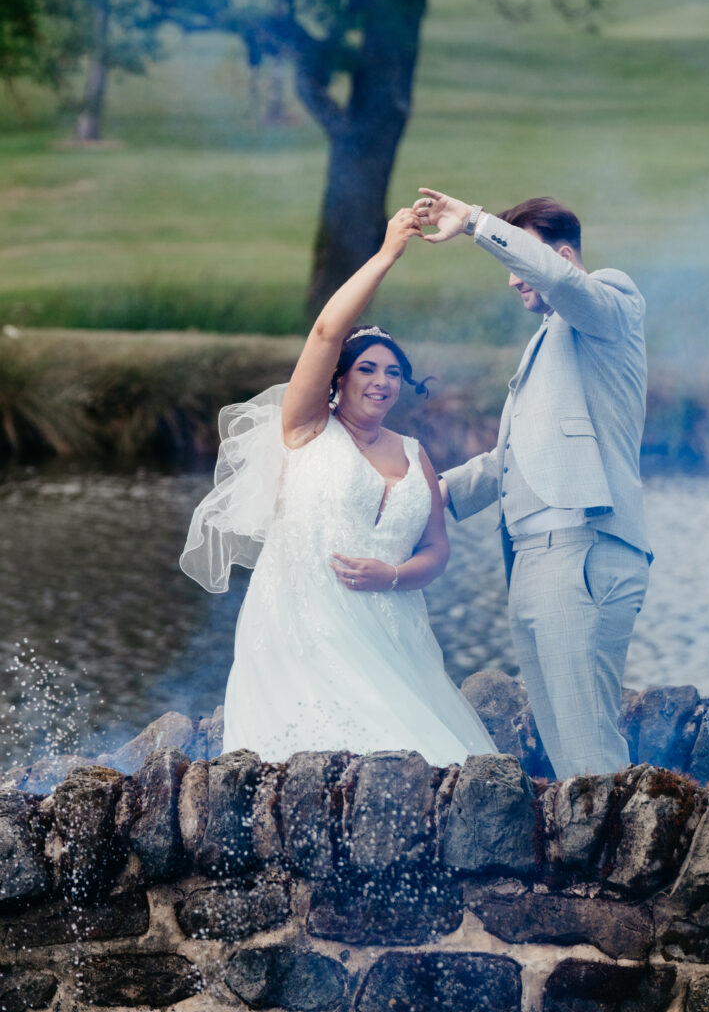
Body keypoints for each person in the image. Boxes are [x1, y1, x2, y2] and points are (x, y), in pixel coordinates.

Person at [179, 207, 495, 765]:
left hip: (394, 627)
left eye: (393, 372)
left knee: (431, 761)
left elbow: (436, 551)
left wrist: (392, 575)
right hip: (305, 622)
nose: (381, 382)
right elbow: (327, 331)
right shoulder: (307, 429)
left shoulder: (415, 456)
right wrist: (387, 254)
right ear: (338, 379)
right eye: (368, 369)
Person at [416, 189, 651, 779]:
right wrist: (423, 494)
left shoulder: (609, 301)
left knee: (590, 754)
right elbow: (509, 459)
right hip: (530, 561)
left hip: (582, 549)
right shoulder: (546, 340)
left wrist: (474, 222)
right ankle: (597, 867)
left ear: (565, 258)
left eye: (523, 262)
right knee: (567, 759)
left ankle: (625, 866)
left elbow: (560, 284)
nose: (514, 280)